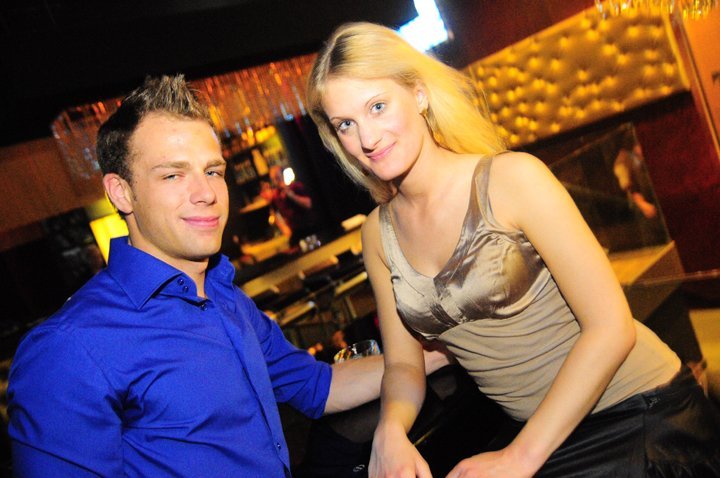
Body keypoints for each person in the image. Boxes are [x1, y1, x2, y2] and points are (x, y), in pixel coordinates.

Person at [306, 22, 720, 477]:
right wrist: (390, 429)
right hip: (540, 436)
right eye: (346, 125)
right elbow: (404, 364)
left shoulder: (511, 179)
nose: (367, 139)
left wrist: (518, 457)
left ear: (419, 94)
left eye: (378, 106)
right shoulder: (377, 234)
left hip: (639, 413)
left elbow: (611, 328)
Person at [7, 75, 448, 477]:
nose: (206, 193)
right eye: (173, 175)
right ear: (121, 192)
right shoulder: (68, 348)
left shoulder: (224, 296)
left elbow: (319, 385)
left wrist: (443, 352)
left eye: (212, 171)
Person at [261, 164, 319, 245]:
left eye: (277, 178)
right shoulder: (275, 196)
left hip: (310, 226)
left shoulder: (295, 186)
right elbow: (274, 214)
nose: (276, 181)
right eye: (273, 179)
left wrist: (292, 196)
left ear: (283, 176)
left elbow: (308, 204)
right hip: (295, 231)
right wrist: (284, 228)